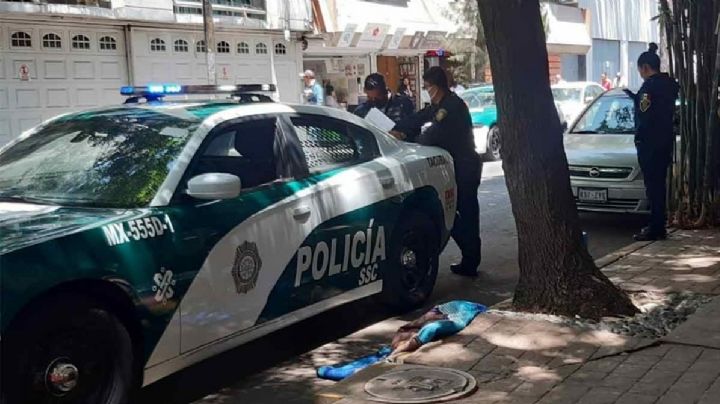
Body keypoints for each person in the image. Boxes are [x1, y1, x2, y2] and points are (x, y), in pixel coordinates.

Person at [392, 67, 482, 277]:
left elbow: (433, 134)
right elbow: (421, 117)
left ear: (436, 87)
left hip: (465, 166)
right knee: (456, 213)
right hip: (457, 164)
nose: (426, 91)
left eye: (427, 87)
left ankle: (471, 261)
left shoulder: (451, 107)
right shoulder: (440, 104)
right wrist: (398, 129)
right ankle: (470, 258)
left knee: (465, 214)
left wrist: (409, 142)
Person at [624, 43, 679, 241]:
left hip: (650, 144)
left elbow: (645, 116)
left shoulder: (648, 88)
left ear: (645, 67)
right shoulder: (669, 84)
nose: (640, 74)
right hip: (664, 142)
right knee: (659, 185)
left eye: (640, 70)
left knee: (653, 186)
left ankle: (656, 227)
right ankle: (659, 223)